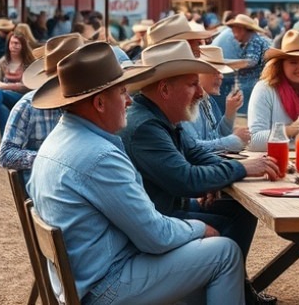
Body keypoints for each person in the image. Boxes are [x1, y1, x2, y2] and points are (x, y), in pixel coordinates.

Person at [27, 42, 244, 304]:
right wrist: (200, 228)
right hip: (105, 286)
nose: (129, 100)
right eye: (122, 92)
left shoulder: (54, 143)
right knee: (225, 252)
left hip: (81, 280)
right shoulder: (99, 156)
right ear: (99, 103)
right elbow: (156, 237)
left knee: (206, 253)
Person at [118, 41, 279, 304]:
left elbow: (197, 155)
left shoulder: (160, 113)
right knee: (226, 231)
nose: (200, 93)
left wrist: (218, 178)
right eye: (193, 84)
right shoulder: (145, 125)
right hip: (157, 222)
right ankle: (218, 288)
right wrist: (240, 168)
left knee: (240, 209)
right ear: (165, 89)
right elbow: (187, 180)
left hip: (164, 210)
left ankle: (232, 288)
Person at [0, 34, 84, 181]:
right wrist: (48, 159)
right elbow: (6, 155)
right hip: (44, 183)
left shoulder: (89, 103)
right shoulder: (28, 106)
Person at [183, 46, 251, 153]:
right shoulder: (185, 104)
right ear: (197, 73)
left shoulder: (209, 101)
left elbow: (216, 137)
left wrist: (230, 112)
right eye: (215, 71)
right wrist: (233, 140)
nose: (221, 76)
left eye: (220, 72)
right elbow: (192, 148)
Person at [221, 14, 271, 115]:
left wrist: (225, 63)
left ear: (242, 29)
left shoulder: (254, 41)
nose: (234, 36)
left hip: (252, 85)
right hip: (252, 85)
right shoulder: (252, 41)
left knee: (243, 115)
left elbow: (251, 62)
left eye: (234, 31)